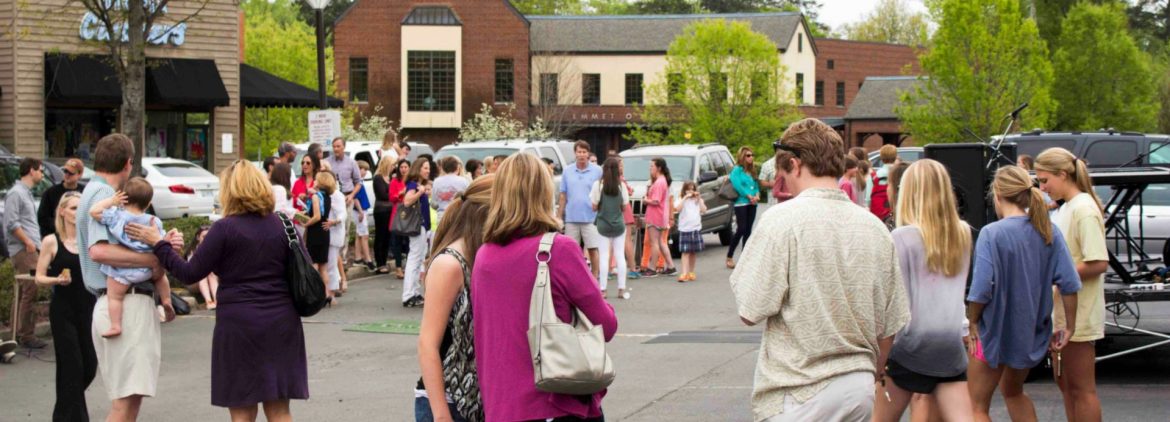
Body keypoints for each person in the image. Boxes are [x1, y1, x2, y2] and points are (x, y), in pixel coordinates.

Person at [729, 118, 910, 422]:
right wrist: (875, 371)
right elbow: (890, 323)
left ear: (795, 164)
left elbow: (750, 308)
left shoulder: (781, 221)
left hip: (800, 390)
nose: (783, 181)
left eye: (784, 173)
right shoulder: (874, 228)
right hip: (859, 387)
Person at [126, 160, 309, 422]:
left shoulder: (225, 229)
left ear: (229, 191)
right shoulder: (284, 225)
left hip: (239, 325)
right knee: (280, 410)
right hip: (281, 322)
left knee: (242, 411)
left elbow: (189, 272)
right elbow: (304, 267)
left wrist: (159, 244)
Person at [472, 153, 617, 421]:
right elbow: (606, 325)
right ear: (543, 193)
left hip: (501, 406)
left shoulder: (484, 256)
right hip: (553, 402)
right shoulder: (558, 250)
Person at [966, 165, 1081, 422]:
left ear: (998, 195)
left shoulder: (992, 233)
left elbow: (981, 289)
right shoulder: (1048, 231)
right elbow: (1069, 284)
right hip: (1030, 333)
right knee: (1014, 392)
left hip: (992, 333)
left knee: (976, 406)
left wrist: (972, 320)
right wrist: (1069, 326)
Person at [78, 133, 180, 422]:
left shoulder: (95, 191)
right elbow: (99, 251)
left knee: (130, 399)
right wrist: (155, 258)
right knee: (124, 404)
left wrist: (162, 245)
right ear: (127, 164)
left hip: (123, 301)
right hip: (126, 302)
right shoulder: (103, 194)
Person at [872, 160, 974, 422]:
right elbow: (956, 292)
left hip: (910, 345)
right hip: (948, 343)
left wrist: (880, 356)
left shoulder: (901, 238)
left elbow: (896, 304)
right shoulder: (962, 233)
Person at [1035, 148, 1107, 422]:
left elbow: (1098, 262)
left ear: (1063, 174)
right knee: (1066, 385)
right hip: (1063, 312)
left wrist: (1053, 276)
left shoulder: (1084, 209)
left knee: (1081, 389)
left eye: (1045, 180)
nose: (1043, 188)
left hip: (1079, 314)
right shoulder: (1068, 207)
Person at [416, 174, 494, 422]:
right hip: (449, 402)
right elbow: (427, 344)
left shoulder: (480, 256)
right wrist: (441, 415)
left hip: (477, 401)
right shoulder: (450, 263)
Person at [34, 192, 98, 421]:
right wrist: (56, 280)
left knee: (89, 365)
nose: (77, 212)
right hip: (63, 310)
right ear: (61, 211)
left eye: (81, 208)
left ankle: (62, 414)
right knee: (72, 365)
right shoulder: (51, 241)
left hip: (88, 307)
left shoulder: (89, 239)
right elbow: (38, 277)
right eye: (73, 208)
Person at [87, 178, 169, 338]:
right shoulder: (153, 221)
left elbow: (94, 211)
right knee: (161, 277)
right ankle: (166, 301)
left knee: (114, 297)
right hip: (147, 269)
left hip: (122, 270)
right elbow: (161, 240)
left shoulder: (117, 217)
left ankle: (115, 325)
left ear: (124, 198)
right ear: (148, 203)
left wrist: (112, 201)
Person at [5, 157, 46, 348]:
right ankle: (26, 335)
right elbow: (11, 223)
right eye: (40, 170)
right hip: (23, 249)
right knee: (30, 288)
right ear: (31, 170)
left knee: (24, 291)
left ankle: (17, 333)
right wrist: (28, 242)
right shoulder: (16, 193)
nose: (42, 174)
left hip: (30, 247)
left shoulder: (25, 193)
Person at [559, 140, 605, 282]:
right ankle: (571, 278)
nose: (581, 155)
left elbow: (602, 193)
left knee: (592, 248)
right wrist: (559, 216)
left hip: (591, 217)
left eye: (584, 152)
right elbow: (563, 195)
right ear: (575, 153)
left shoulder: (597, 170)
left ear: (588, 154)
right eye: (579, 152)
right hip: (571, 217)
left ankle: (594, 278)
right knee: (570, 250)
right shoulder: (567, 171)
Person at [590, 158, 630, 299]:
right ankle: (621, 288)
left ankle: (603, 290)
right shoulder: (621, 186)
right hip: (618, 224)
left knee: (604, 256)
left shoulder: (598, 185)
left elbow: (594, 206)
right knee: (620, 256)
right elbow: (624, 207)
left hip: (603, 225)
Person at [402, 158, 433, 308]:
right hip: (417, 225)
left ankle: (414, 291)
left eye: (428, 168)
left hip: (422, 225)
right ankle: (408, 294)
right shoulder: (414, 185)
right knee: (414, 258)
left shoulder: (418, 184)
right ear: (418, 168)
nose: (428, 171)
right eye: (425, 168)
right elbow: (407, 201)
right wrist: (420, 192)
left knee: (418, 258)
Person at [300, 171, 334, 300]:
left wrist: (306, 223)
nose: (314, 181)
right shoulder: (327, 197)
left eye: (316, 179)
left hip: (315, 232)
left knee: (314, 264)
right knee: (323, 267)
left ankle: (315, 294)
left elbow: (317, 216)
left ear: (320, 182)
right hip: (324, 232)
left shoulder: (315, 197)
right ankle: (327, 294)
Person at [641, 157, 677, 277]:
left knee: (654, 242)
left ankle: (652, 268)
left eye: (652, 166)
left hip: (655, 216)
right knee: (661, 242)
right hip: (661, 215)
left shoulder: (659, 182)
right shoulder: (662, 181)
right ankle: (671, 266)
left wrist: (646, 200)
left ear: (659, 168)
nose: (650, 168)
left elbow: (656, 201)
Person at [726, 147, 760, 269]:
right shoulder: (737, 170)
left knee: (748, 231)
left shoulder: (752, 171)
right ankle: (729, 256)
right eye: (748, 155)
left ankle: (744, 259)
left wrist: (757, 195)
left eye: (752, 155)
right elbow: (737, 185)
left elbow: (756, 185)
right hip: (741, 203)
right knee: (741, 229)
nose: (751, 157)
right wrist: (748, 195)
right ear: (742, 157)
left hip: (752, 203)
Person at [39, 158, 86, 238]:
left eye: (71, 173)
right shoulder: (51, 192)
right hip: (56, 237)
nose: (67, 175)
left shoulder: (85, 192)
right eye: (65, 171)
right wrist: (61, 228)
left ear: (79, 174)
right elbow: (43, 218)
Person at [674, 181, 706, 283]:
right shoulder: (681, 199)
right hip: (685, 229)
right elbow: (677, 209)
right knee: (685, 252)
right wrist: (685, 198)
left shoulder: (697, 200)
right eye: (688, 189)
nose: (691, 191)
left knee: (693, 252)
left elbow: (704, 210)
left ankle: (691, 272)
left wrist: (699, 199)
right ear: (684, 190)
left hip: (695, 229)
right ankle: (684, 273)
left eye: (692, 189)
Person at [325, 171, 349, 296]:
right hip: (327, 232)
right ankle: (329, 290)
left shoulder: (337, 195)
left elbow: (343, 214)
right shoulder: (325, 194)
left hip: (334, 233)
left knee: (331, 263)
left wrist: (334, 221)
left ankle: (332, 293)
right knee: (329, 263)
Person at [186, 227, 219, 310]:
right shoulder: (192, 251)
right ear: (198, 237)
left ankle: (217, 300)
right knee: (202, 274)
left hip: (212, 279)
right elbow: (192, 269)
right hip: (194, 282)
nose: (206, 239)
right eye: (204, 237)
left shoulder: (214, 248)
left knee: (210, 273)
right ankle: (208, 301)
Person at [389, 159, 412, 280]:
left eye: (405, 167)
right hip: (398, 213)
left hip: (410, 214)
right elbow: (391, 198)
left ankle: (409, 267)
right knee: (397, 241)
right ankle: (398, 267)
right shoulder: (394, 181)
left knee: (409, 242)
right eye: (401, 167)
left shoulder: (412, 181)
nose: (403, 169)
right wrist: (400, 194)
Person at [373, 158, 395, 274]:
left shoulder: (391, 178)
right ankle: (379, 263)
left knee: (387, 236)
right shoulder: (378, 178)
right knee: (380, 236)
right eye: (392, 165)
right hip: (381, 210)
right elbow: (383, 194)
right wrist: (395, 194)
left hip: (391, 210)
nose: (393, 167)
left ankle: (384, 260)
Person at [432, 156, 470, 223]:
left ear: (443, 168)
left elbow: (434, 203)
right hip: (458, 215)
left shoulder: (436, 181)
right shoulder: (464, 181)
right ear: (457, 167)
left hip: (442, 215)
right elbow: (468, 199)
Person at [351, 161, 374, 271]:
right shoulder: (356, 183)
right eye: (362, 169)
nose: (364, 171)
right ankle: (368, 259)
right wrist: (360, 211)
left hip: (361, 210)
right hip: (360, 210)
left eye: (366, 169)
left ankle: (358, 258)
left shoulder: (360, 182)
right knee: (364, 235)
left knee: (359, 234)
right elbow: (355, 197)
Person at [871, 145, 898, 223]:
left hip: (878, 215)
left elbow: (868, 199)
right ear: (895, 156)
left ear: (881, 157)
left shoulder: (875, 175)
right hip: (896, 212)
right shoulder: (901, 173)